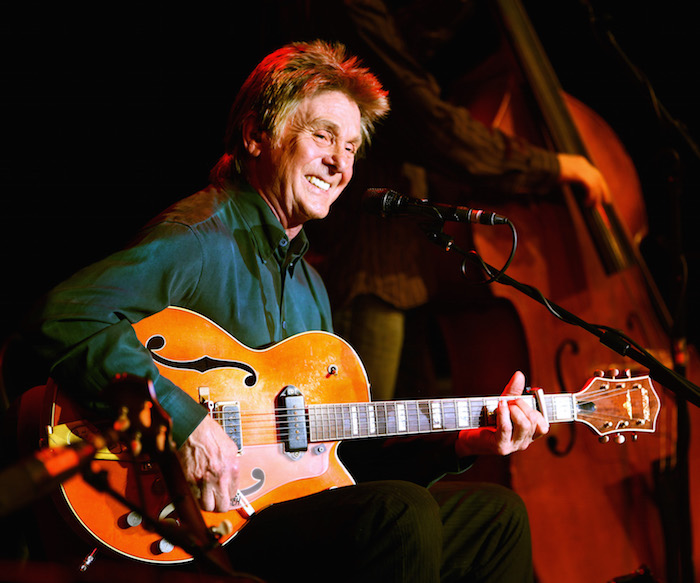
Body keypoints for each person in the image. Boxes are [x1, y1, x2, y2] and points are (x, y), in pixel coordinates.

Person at [4, 40, 549, 582]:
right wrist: (183, 420)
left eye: (352, 147)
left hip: (280, 511)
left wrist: (460, 443)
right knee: (400, 514)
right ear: (255, 136)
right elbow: (63, 317)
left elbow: (333, 465)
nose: (340, 163)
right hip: (199, 515)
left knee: (496, 518)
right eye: (323, 136)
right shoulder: (199, 237)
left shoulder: (310, 287)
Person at [275, 0, 613, 401]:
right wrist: (549, 166)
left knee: (411, 429)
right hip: (367, 267)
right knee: (355, 430)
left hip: (408, 268)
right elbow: (432, 126)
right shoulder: (356, 10)